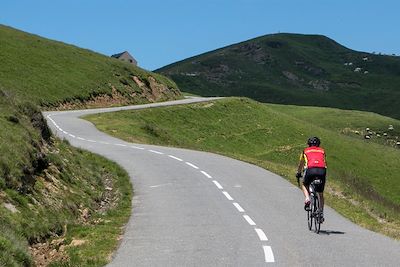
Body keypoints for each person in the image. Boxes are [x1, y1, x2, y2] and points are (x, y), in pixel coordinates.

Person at [296, 136, 327, 221]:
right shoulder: (322, 151)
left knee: (304, 184)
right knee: (320, 193)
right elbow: (324, 162)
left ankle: (307, 198)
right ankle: (320, 212)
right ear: (318, 144)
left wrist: (298, 173)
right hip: (322, 170)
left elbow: (300, 164)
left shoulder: (305, 151)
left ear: (308, 144)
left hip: (310, 170)